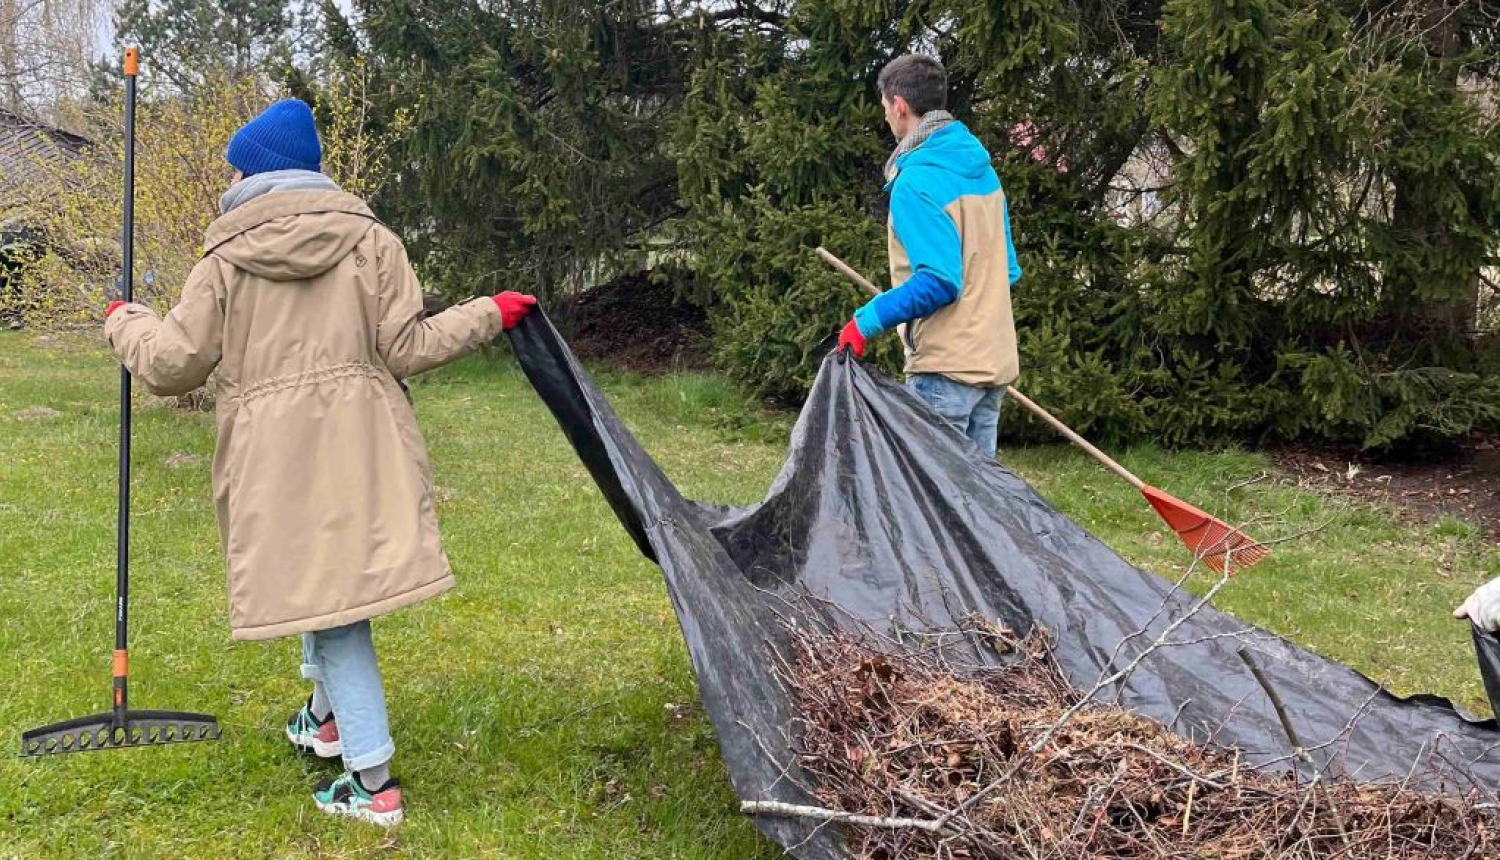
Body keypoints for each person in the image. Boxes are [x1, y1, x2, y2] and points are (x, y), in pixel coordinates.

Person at [103, 98, 537, 826]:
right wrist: (486, 311)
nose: (231, 177)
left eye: (237, 166)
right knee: (326, 583)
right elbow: (410, 348)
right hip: (363, 444)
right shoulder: (374, 242)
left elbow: (173, 365)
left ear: (258, 172)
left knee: (337, 614)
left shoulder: (223, 260)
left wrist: (126, 322)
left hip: (271, 457)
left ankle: (374, 784)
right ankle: (323, 721)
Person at [837, 54, 1022, 459]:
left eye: (885, 107)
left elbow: (938, 282)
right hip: (994, 364)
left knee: (930, 510)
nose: (886, 117)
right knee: (980, 507)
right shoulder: (981, 170)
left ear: (899, 105)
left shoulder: (916, 182)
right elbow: (1007, 270)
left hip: (946, 373)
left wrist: (864, 322)